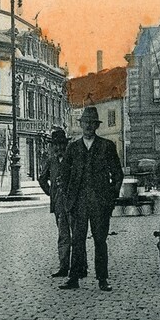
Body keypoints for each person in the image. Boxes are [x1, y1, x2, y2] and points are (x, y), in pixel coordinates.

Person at [60, 106, 124, 293]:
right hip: (78, 204)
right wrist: (67, 197)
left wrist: (111, 196)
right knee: (77, 240)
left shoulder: (107, 146)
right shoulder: (73, 148)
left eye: (91, 123)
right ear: (81, 125)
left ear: (96, 126)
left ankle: (102, 279)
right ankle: (74, 277)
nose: (88, 126)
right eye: (85, 123)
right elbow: (64, 175)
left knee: (100, 241)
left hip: (100, 204)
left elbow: (117, 175)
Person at [37, 127, 71, 277]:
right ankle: (63, 267)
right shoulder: (51, 161)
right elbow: (42, 179)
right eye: (56, 145)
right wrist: (52, 193)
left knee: (77, 236)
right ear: (52, 146)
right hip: (59, 205)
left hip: (74, 204)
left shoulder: (73, 159)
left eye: (62, 144)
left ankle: (78, 266)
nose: (59, 148)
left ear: (66, 144)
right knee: (63, 235)